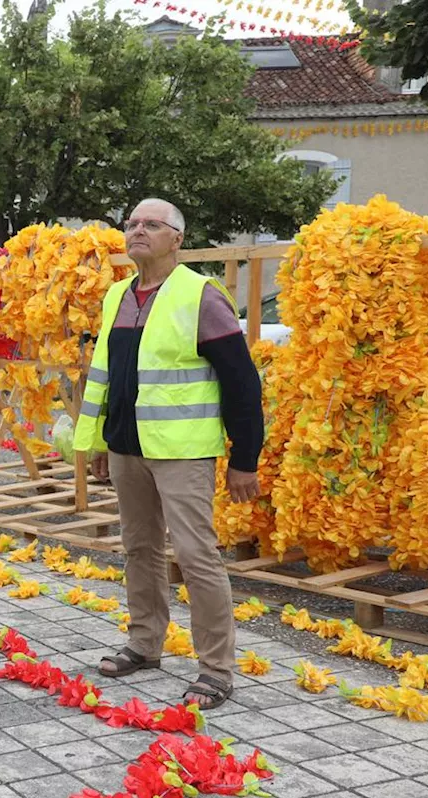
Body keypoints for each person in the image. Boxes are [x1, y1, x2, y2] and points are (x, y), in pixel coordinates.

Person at [74, 199, 263, 710]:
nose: (137, 231)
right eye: (132, 224)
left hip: (182, 453)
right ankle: (144, 643)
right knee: (139, 549)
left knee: (198, 557)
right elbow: (107, 378)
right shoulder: (118, 295)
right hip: (127, 447)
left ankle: (216, 669)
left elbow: (242, 382)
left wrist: (246, 457)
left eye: (151, 225)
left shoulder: (200, 296)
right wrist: (99, 442)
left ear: (176, 239)